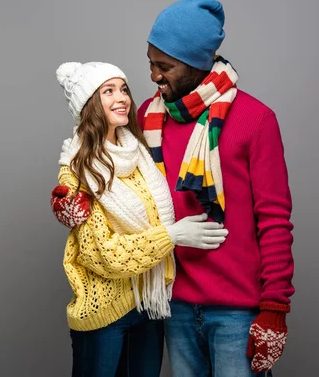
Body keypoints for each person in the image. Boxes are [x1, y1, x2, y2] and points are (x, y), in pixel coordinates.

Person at [50, 0, 295, 377]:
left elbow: (275, 220)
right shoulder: (148, 116)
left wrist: (275, 309)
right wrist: (71, 185)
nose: (153, 76)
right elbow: (96, 145)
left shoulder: (255, 120)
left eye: (164, 66)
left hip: (236, 310)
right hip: (173, 305)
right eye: (150, 63)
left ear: (198, 63)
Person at [52, 61, 229, 377]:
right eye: (108, 91)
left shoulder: (137, 153)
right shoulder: (76, 172)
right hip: (104, 314)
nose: (122, 98)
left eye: (123, 89)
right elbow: (103, 254)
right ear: (90, 104)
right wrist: (171, 236)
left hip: (149, 305)